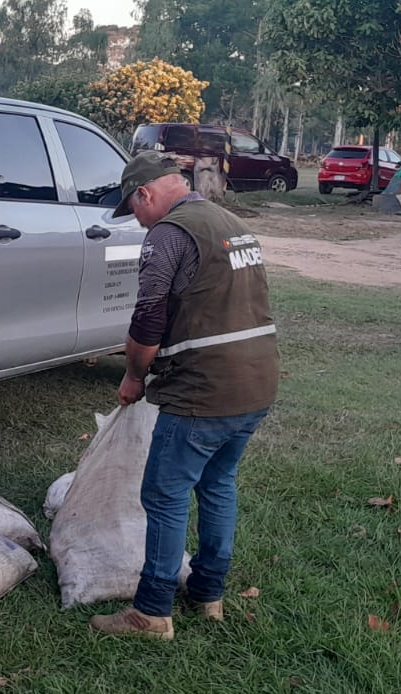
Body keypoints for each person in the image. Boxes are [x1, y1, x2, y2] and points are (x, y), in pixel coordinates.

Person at [90, 151, 280, 640]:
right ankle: (207, 594)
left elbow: (148, 319)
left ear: (145, 193)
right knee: (217, 484)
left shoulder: (170, 234)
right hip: (257, 382)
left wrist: (134, 375)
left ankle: (151, 611)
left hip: (204, 389)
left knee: (165, 493)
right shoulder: (232, 223)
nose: (137, 220)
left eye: (133, 209)